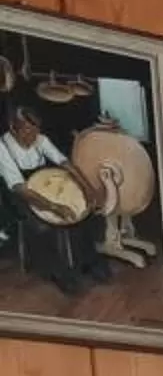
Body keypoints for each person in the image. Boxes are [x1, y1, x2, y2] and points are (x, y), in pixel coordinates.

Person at [0, 102, 102, 297]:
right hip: (16, 196)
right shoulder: (2, 147)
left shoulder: (40, 139)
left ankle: (89, 261)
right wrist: (55, 207)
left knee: (81, 213)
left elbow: (64, 162)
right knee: (43, 226)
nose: (32, 137)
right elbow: (20, 188)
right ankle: (60, 273)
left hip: (43, 186)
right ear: (13, 128)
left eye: (35, 131)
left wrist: (87, 189)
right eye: (27, 131)